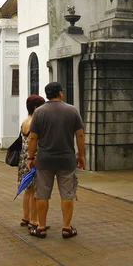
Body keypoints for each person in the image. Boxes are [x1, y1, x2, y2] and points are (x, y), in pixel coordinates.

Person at [27, 82, 85, 239]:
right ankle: (66, 228)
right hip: (66, 159)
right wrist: (81, 155)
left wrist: (31, 157)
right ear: (60, 93)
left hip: (44, 160)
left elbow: (33, 137)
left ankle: (41, 227)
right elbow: (80, 135)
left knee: (42, 194)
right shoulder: (72, 110)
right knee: (67, 194)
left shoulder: (39, 112)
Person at [17, 95, 45, 231]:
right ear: (36, 107)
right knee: (34, 190)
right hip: (32, 158)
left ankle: (25, 217)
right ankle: (34, 220)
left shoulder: (25, 121)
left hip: (23, 158)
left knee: (27, 189)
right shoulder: (35, 122)